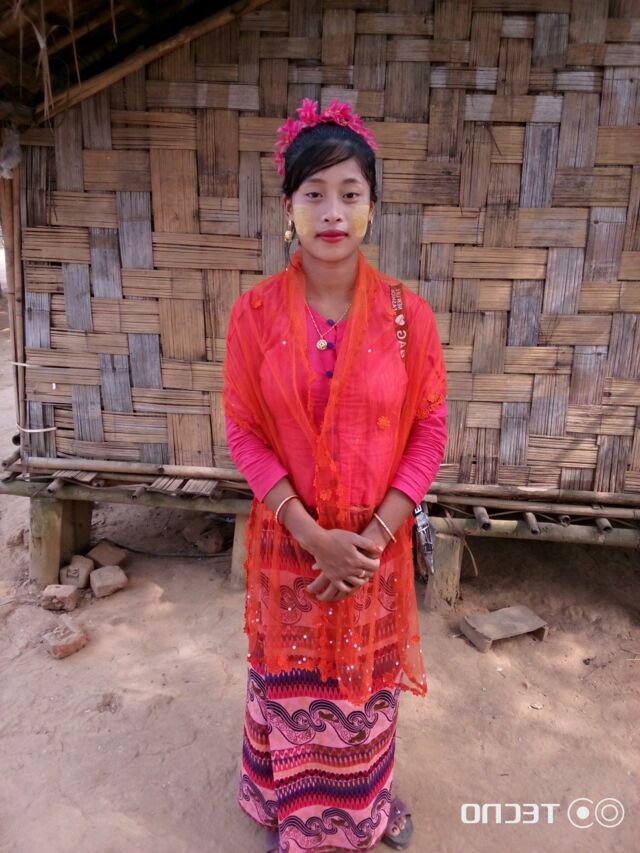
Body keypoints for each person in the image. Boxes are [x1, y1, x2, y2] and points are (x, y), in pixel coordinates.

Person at [223, 98, 448, 853]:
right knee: (292, 685)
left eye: (350, 193)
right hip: (291, 547)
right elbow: (245, 432)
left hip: (372, 553)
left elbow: (429, 431)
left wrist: (371, 538)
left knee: (364, 690)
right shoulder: (253, 316)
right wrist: (311, 534)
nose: (332, 211)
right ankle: (289, 809)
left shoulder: (409, 319)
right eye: (313, 193)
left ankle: (365, 808)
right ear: (288, 208)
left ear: (372, 208)